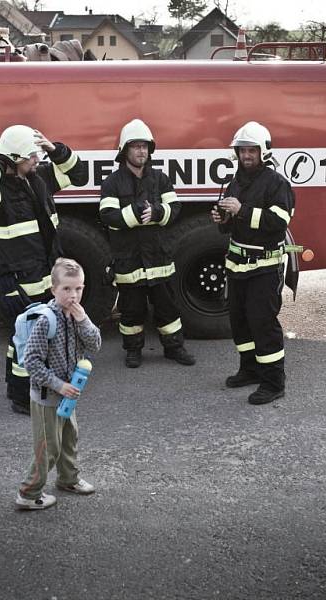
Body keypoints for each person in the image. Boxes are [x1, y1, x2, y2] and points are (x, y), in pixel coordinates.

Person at [0, 125, 86, 415]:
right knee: (28, 336)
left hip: (45, 270)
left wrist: (54, 150)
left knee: (27, 335)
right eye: (30, 155)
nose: (36, 160)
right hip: (18, 277)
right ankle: (23, 398)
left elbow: (79, 175)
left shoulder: (39, 178)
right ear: (14, 158)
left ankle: (20, 387)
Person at [99, 119, 195, 368]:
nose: (141, 151)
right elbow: (107, 216)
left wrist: (157, 213)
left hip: (158, 258)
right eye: (136, 146)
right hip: (129, 258)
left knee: (168, 309)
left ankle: (174, 348)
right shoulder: (112, 183)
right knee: (132, 310)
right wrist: (133, 213)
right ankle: (133, 351)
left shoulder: (160, 179)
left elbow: (175, 208)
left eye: (145, 146)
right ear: (125, 151)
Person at [211, 121, 294, 405]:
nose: (246, 155)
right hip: (237, 266)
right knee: (241, 322)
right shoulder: (235, 182)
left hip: (265, 267)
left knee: (263, 324)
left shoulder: (277, 184)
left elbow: (278, 223)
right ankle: (249, 369)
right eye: (242, 150)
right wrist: (223, 219)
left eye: (251, 150)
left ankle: (273, 382)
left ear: (264, 152)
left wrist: (242, 210)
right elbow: (231, 225)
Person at [16, 258, 102, 510]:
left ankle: (68, 479)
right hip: (47, 396)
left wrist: (84, 319)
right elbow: (31, 362)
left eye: (78, 289)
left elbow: (95, 345)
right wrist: (58, 385)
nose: (73, 295)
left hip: (69, 392)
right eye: (66, 289)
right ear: (53, 289)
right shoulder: (46, 321)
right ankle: (28, 494)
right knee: (48, 447)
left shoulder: (76, 317)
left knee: (69, 438)